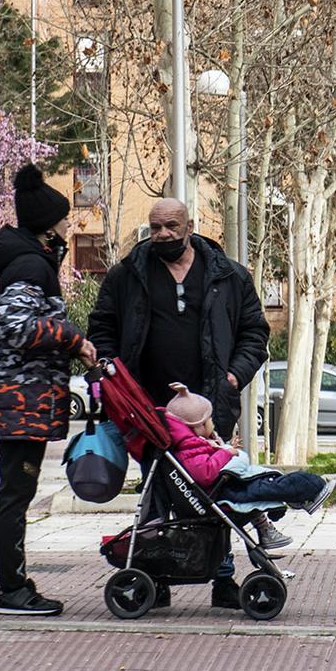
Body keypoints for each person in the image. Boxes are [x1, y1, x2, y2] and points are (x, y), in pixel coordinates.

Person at [89, 197, 270, 608]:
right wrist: (111, 371)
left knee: (213, 492)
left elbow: (254, 333)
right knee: (157, 491)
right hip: (149, 411)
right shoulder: (127, 276)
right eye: (155, 228)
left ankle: (223, 579)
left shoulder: (229, 275)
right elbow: (103, 325)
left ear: (190, 227)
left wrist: (233, 377)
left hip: (209, 409)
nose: (163, 235)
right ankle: (157, 577)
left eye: (171, 226)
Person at [0, 164, 96, 616]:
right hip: (20, 402)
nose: (69, 228)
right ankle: (12, 589)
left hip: (22, 401)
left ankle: (14, 583)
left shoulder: (30, 260)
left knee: (16, 492)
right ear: (49, 228)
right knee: (15, 493)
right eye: (65, 222)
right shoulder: (30, 265)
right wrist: (73, 338)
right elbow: (14, 326)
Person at [159, 384, 336, 551]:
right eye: (209, 419)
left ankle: (302, 497)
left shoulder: (193, 444)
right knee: (269, 486)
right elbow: (205, 472)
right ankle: (311, 489)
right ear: (198, 425)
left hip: (224, 486)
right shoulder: (189, 448)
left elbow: (208, 460)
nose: (212, 423)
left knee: (268, 483)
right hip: (221, 492)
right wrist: (227, 453)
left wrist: (223, 446)